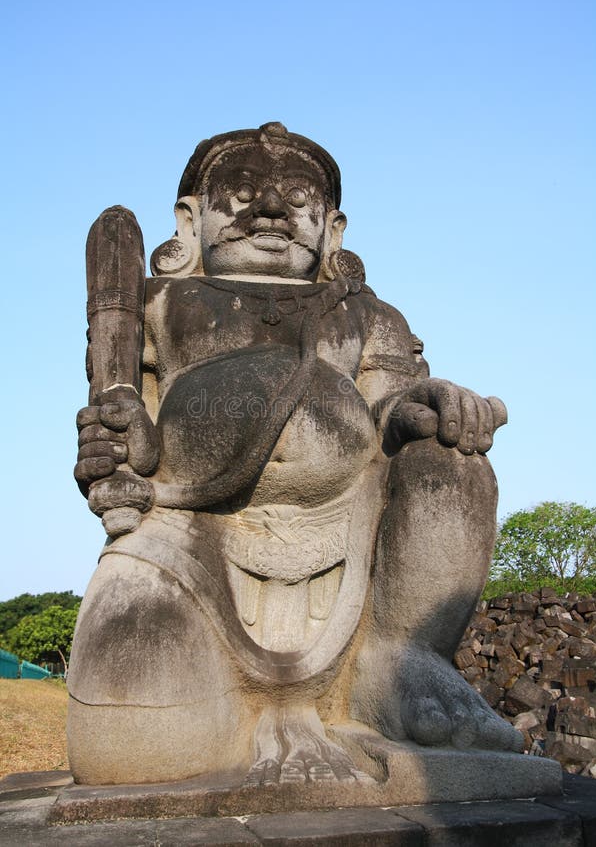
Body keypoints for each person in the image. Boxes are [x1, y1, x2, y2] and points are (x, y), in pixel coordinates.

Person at [68, 122, 521, 786]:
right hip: (188, 533)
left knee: (450, 458)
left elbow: (389, 407)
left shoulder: (370, 317)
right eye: (243, 192)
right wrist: (113, 425)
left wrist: (433, 401)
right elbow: (120, 411)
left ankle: (404, 662)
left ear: (332, 230)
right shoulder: (159, 304)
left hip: (353, 527)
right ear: (190, 219)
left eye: (296, 196)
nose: (272, 210)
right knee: (128, 752)